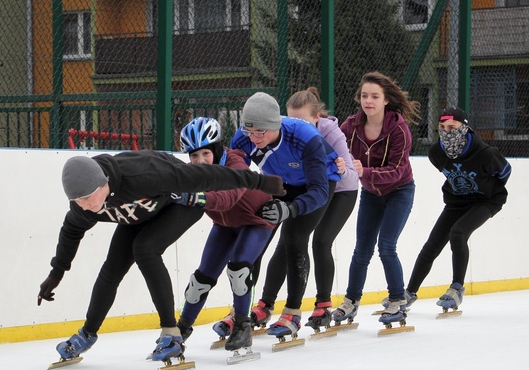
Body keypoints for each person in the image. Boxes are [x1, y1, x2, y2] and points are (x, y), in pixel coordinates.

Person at [37, 150, 284, 364]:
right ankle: (87, 334)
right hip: (139, 211)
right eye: (76, 201)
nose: (84, 206)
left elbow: (206, 175)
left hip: (179, 202)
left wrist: (258, 182)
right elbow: (70, 232)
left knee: (145, 250)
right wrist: (56, 272)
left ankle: (171, 332)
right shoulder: (84, 207)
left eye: (87, 199)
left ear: (103, 184)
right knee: (112, 267)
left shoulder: (145, 174)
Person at [230, 92, 340, 339]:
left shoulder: (305, 137)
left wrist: (290, 209)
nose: (255, 138)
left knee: (294, 238)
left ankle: (293, 311)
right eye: (250, 132)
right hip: (279, 183)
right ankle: (243, 310)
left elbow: (320, 191)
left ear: (275, 125)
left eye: (261, 132)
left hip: (317, 184)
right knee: (253, 239)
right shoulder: (243, 138)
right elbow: (233, 173)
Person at [174, 117, 275, 354]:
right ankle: (181, 329)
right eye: (194, 156)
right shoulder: (192, 171)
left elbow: (226, 199)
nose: (200, 162)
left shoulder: (235, 164)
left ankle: (243, 326)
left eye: (206, 154)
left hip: (256, 221)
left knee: (239, 270)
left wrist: (196, 198)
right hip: (225, 224)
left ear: (217, 149)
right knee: (200, 280)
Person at [332, 71, 420, 327]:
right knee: (362, 249)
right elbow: (332, 146)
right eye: (364, 96)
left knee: (386, 246)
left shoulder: (399, 129)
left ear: (386, 100)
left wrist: (364, 171)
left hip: (399, 191)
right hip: (371, 193)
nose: (368, 101)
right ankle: (350, 301)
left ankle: (397, 301)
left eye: (374, 96)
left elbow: (398, 170)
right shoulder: (351, 126)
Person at [405, 107, 511, 311]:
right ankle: (408, 293)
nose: (447, 132)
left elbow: (504, 173)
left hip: (486, 201)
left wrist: (485, 189)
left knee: (458, 233)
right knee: (432, 244)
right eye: (442, 127)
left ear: (465, 127)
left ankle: (456, 288)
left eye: (452, 127)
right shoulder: (436, 152)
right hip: (456, 201)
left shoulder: (486, 154)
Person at [281, 87, 358, 332]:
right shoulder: (288, 134)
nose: (295, 126)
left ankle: (323, 305)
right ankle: (266, 303)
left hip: (341, 189)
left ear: (317, 118)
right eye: (291, 120)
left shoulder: (330, 132)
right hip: (314, 187)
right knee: (290, 240)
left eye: (301, 121)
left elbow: (350, 172)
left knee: (321, 241)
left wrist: (342, 167)